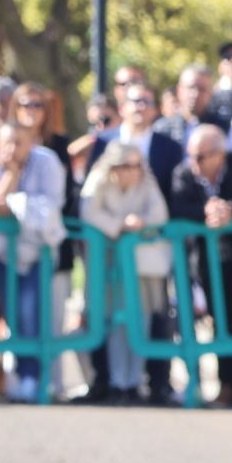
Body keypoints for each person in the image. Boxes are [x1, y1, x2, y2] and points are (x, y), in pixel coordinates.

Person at [168, 125, 232, 407]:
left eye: (200, 157)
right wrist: (207, 213)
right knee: (220, 317)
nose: (194, 163)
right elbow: (177, 206)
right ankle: (226, 382)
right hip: (206, 260)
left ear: (219, 154)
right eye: (191, 156)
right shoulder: (185, 173)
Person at [0, 121, 68, 402]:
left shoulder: (48, 162)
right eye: (6, 142)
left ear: (32, 141)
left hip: (38, 253)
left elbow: (51, 206)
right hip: (4, 255)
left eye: (19, 141)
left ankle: (35, 377)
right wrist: (12, 174)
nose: (12, 148)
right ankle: (19, 374)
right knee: (13, 316)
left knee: (34, 314)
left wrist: (15, 205)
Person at [80, 142, 170, 404]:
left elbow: (158, 213)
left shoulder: (147, 181)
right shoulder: (98, 181)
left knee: (139, 319)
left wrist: (140, 224)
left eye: (136, 165)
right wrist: (119, 226)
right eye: (126, 166)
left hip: (139, 265)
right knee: (112, 321)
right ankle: (116, 380)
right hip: (107, 263)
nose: (133, 171)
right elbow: (89, 211)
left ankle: (134, 380)